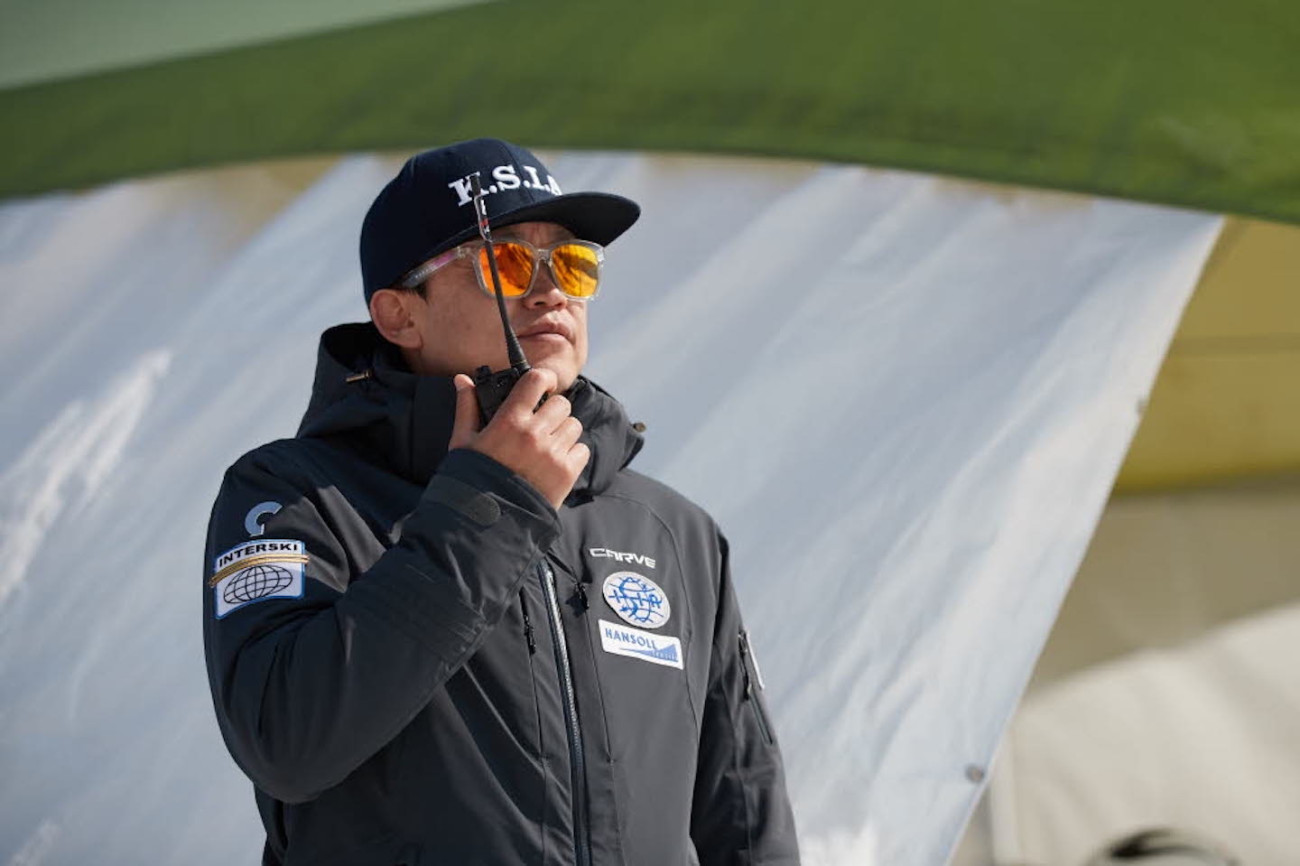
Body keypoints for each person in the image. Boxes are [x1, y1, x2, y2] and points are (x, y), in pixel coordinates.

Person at [202, 138, 800, 865]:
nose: (550, 291)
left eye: (573, 264)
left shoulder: (674, 530)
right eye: (506, 262)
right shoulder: (293, 494)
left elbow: (748, 816)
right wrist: (490, 505)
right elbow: (286, 743)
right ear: (398, 316)